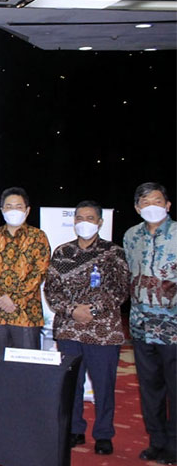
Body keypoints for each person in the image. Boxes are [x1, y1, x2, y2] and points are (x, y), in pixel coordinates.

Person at [45, 200, 128, 456]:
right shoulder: (62, 252)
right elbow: (51, 290)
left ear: (100, 222)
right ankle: (74, 429)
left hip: (103, 331)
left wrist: (92, 310)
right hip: (69, 330)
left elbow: (120, 289)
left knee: (104, 386)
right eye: (79, 218)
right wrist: (72, 310)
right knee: (72, 384)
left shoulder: (113, 252)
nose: (84, 222)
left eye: (90, 218)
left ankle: (103, 434)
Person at [123, 182, 176, 465]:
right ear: (137, 208)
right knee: (150, 388)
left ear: (168, 205)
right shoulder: (131, 236)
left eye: (157, 201)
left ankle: (175, 445)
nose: (151, 206)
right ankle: (156, 441)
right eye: (145, 202)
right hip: (141, 325)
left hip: (173, 328)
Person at [0, 186, 50, 350]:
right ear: (2, 210)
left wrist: (13, 299)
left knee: (26, 363)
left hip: (26, 314)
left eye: (18, 206)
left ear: (27, 210)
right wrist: (0, 297)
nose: (13, 211)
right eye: (9, 206)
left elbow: (40, 271)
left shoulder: (38, 237)